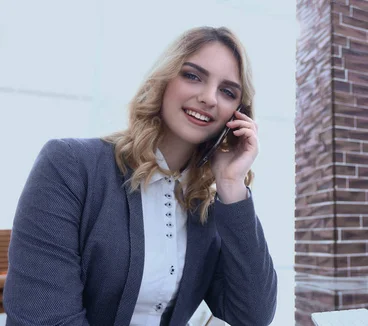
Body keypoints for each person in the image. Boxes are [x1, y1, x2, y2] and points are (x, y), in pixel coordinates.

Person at [3, 26, 277, 326]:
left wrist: (231, 184)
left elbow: (252, 316)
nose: (209, 98)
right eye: (193, 75)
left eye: (227, 92)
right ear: (164, 80)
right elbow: (43, 317)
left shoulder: (208, 205)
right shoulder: (69, 165)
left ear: (237, 117)